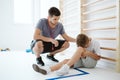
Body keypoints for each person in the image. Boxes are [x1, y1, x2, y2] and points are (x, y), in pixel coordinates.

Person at [32, 33, 101, 76]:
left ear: (88, 40)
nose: (85, 47)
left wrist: (88, 53)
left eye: (86, 46)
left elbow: (98, 58)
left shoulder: (95, 43)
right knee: (65, 61)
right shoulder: (82, 45)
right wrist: (80, 56)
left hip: (91, 63)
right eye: (84, 47)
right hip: (83, 61)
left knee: (80, 49)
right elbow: (79, 54)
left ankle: (66, 67)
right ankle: (47, 70)